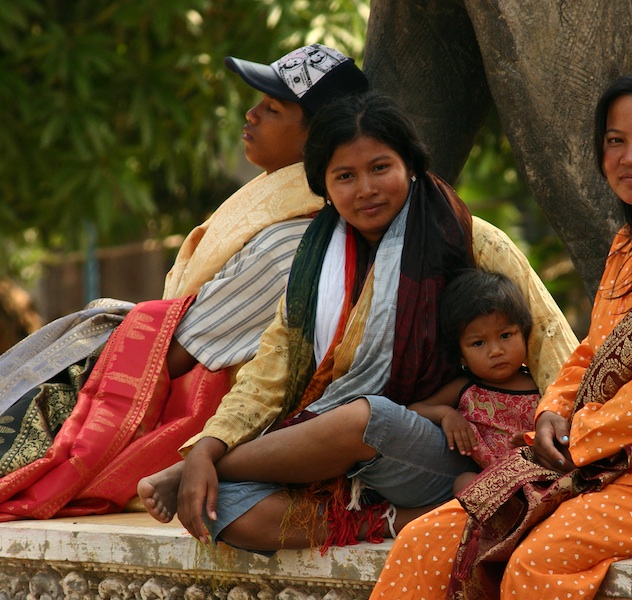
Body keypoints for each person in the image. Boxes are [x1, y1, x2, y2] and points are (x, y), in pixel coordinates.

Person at [369, 62, 632, 599]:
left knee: (538, 565)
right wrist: (554, 411)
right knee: (428, 538)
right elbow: (595, 350)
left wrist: (581, 434)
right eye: (615, 140)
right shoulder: (630, 241)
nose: (629, 156)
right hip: (603, 463)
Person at [137, 91, 578, 554]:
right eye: (345, 176)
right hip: (348, 466)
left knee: (368, 417)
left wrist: (553, 414)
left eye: (380, 168)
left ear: (410, 164)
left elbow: (549, 337)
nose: (365, 189)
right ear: (324, 187)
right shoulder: (312, 264)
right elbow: (270, 373)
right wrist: (211, 442)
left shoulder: (468, 236)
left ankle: (197, 469)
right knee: (222, 510)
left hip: (460, 454)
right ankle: (392, 520)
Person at [0, 44, 368, 521]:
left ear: (319, 136)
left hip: (207, 412)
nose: (251, 115)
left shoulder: (293, 241)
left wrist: (80, 371)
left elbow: (178, 353)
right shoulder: (284, 210)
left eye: (272, 109)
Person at [407, 269, 540, 494]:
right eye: (478, 343)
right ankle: (507, 522)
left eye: (505, 335)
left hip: (544, 474)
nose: (496, 351)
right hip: (497, 488)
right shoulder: (466, 389)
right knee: (463, 481)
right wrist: (447, 415)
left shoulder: (541, 383)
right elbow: (414, 410)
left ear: (524, 334)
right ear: (461, 356)